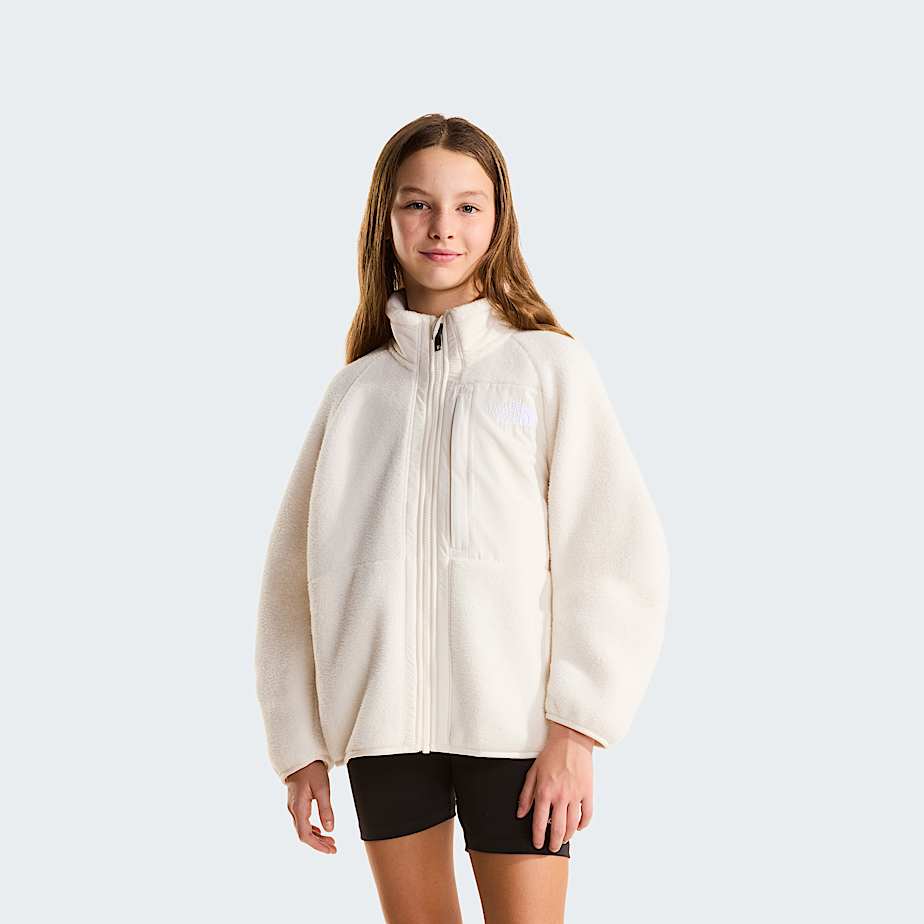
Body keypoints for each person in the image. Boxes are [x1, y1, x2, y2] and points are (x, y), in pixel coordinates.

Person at [254, 113, 671, 922]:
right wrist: (298, 745)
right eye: (418, 204)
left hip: (516, 733)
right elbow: (288, 585)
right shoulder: (355, 394)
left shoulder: (548, 368)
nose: (443, 226)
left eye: (467, 206)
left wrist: (577, 729)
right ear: (385, 219)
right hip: (382, 731)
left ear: (498, 219)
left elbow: (613, 553)